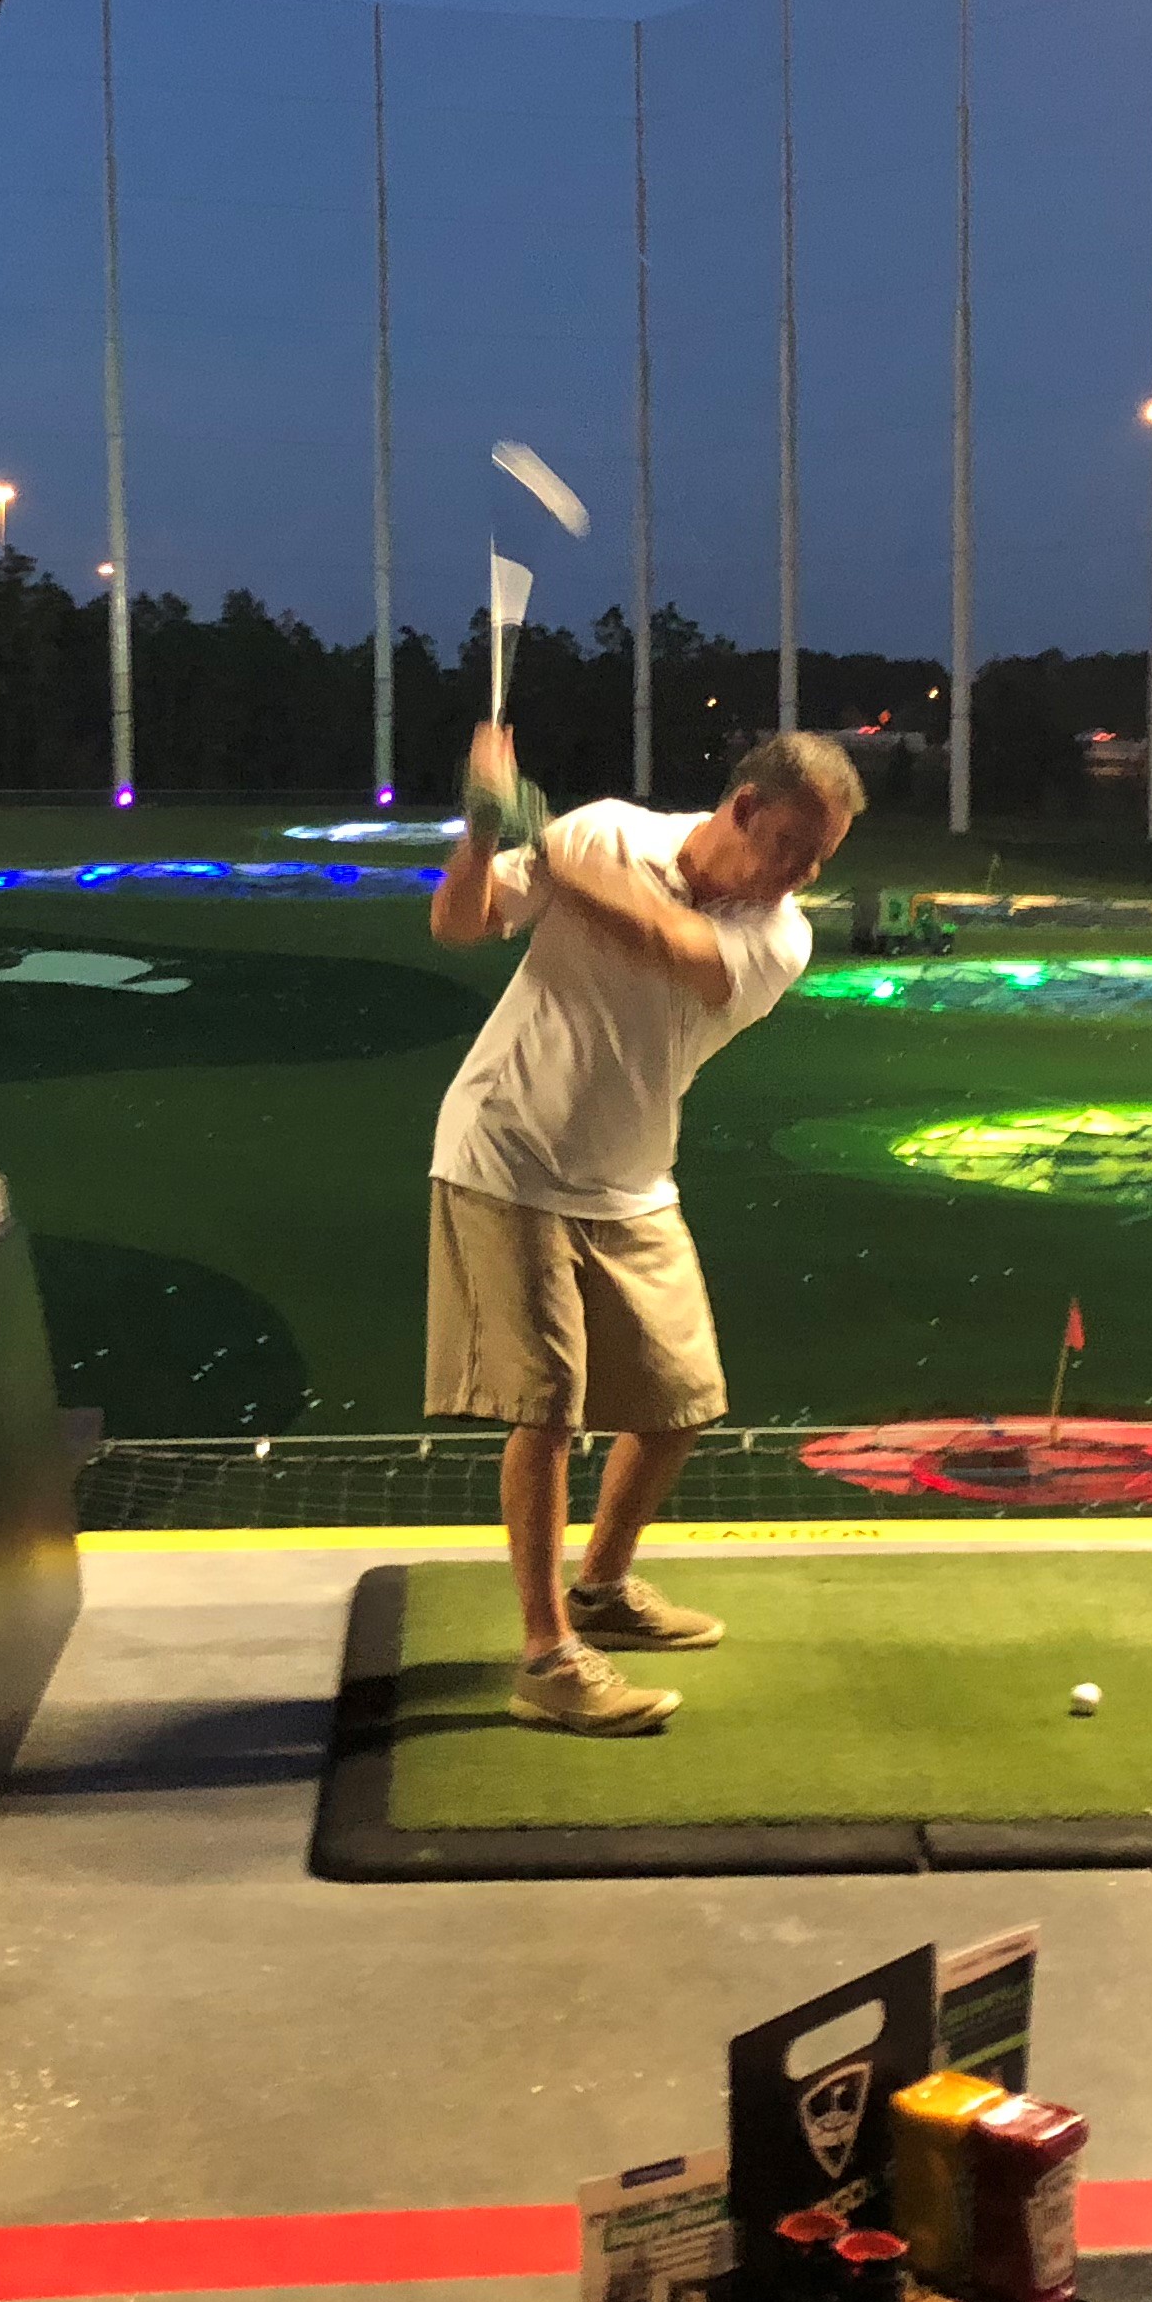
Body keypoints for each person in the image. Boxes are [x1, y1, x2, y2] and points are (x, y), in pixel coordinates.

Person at [426, 727, 861, 1734]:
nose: (803, 876)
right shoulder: (608, 834)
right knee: (547, 1410)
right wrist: (485, 831)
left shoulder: (781, 936)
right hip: (507, 1153)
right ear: (744, 808)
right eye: (794, 848)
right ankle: (548, 1657)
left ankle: (602, 1591)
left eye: (820, 860)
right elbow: (461, 923)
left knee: (680, 1401)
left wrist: (543, 836)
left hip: (630, 1178)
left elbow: (674, 949)